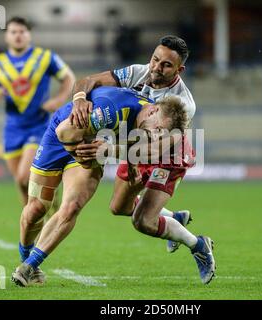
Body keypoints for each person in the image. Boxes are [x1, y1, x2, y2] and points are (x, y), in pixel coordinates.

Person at [10, 86, 192, 287]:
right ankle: (25, 255)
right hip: (59, 139)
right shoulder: (110, 110)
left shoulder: (145, 120)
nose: (156, 136)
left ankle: (29, 267)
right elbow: (65, 132)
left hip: (92, 147)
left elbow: (131, 142)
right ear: (153, 111)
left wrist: (127, 162)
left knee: (72, 207)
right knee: (36, 209)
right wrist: (84, 158)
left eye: (161, 134)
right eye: (158, 130)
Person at [69, 35, 213, 262]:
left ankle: (198, 245)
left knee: (142, 221)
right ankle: (173, 218)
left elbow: (155, 150)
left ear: (179, 69)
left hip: (169, 155)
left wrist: (109, 150)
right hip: (136, 143)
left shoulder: (183, 104)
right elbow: (88, 81)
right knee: (118, 207)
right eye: (155, 59)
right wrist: (79, 99)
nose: (156, 67)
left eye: (166, 65)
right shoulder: (140, 71)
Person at [0, 16, 75, 206]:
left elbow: (68, 78)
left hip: (39, 125)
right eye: (13, 32)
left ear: (29, 35)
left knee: (24, 177)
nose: (18, 36)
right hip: (12, 128)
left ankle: (48, 208)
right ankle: (31, 221)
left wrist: (59, 99)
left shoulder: (45, 57)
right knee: (21, 183)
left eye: (22, 32)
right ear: (7, 36)